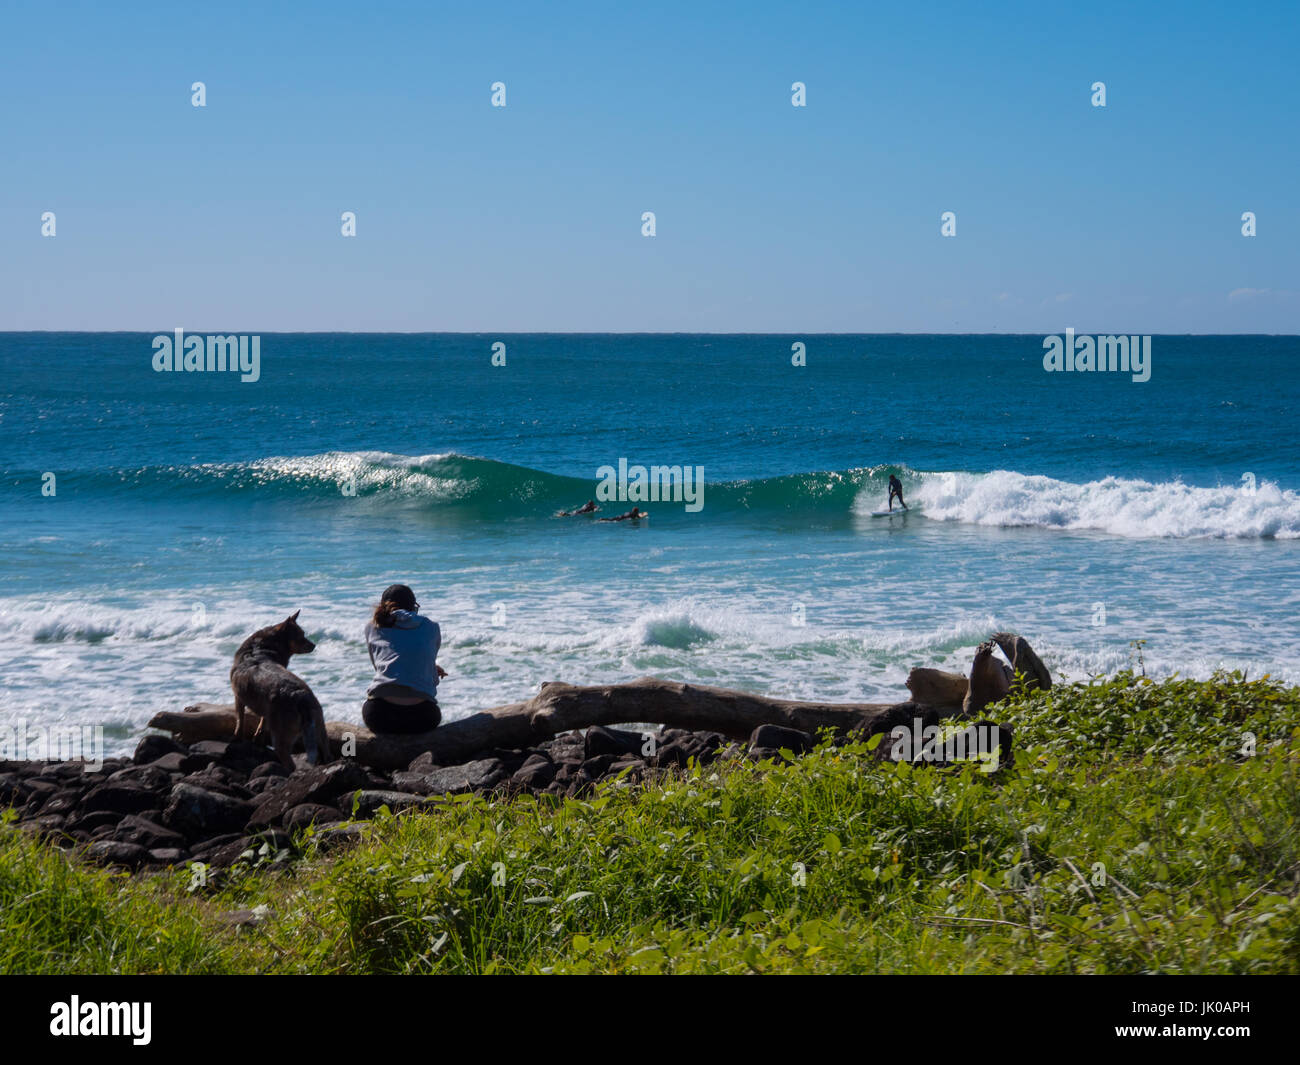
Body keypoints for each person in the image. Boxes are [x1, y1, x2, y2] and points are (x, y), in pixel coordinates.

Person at [362, 584, 446, 734]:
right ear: (414, 606)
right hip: (423, 717)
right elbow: (425, 657)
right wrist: (431, 670)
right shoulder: (431, 626)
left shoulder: (372, 626)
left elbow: (381, 667)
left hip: (379, 715)